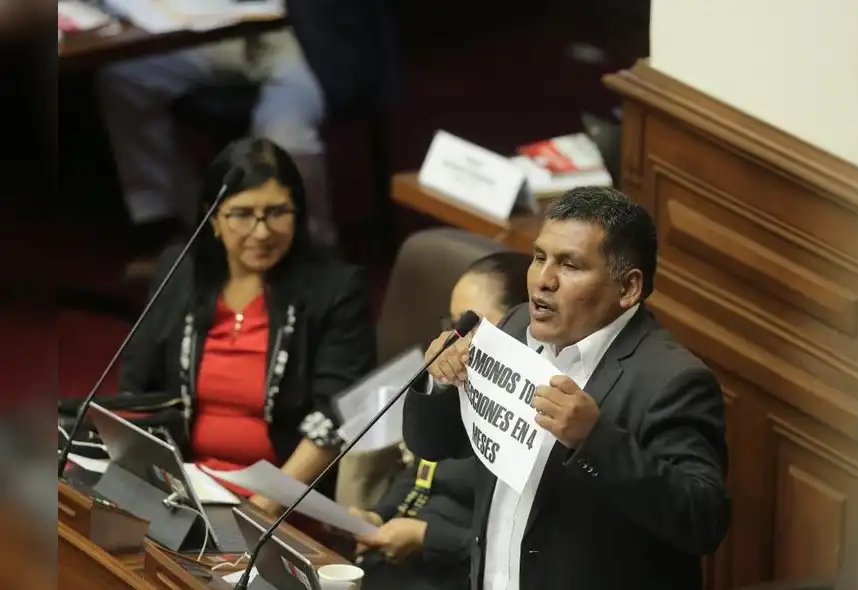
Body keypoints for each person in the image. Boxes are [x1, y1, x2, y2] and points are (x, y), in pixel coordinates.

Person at [403, 187, 730, 590]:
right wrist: (439, 381)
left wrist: (594, 440)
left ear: (628, 289)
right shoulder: (514, 327)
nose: (543, 280)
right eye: (540, 257)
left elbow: (703, 521)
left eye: (570, 265)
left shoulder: (671, 381)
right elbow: (434, 444)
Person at [118, 137, 376, 512]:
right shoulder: (180, 270)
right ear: (214, 219)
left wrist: (260, 510)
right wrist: (144, 476)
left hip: (280, 501)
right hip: (181, 484)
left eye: (277, 212)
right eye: (242, 214)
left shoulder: (335, 289)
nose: (261, 232)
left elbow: (333, 418)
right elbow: (135, 386)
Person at [350, 251, 533, 590]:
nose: (455, 338)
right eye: (453, 324)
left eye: (471, 325)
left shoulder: (526, 414)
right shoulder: (458, 379)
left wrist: (426, 537)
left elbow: (517, 548)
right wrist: (379, 515)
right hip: (397, 564)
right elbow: (422, 470)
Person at [96, 28, 336, 247]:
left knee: (282, 131)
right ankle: (188, 222)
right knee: (124, 78)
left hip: (295, 41)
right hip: (218, 35)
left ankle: (311, 247)